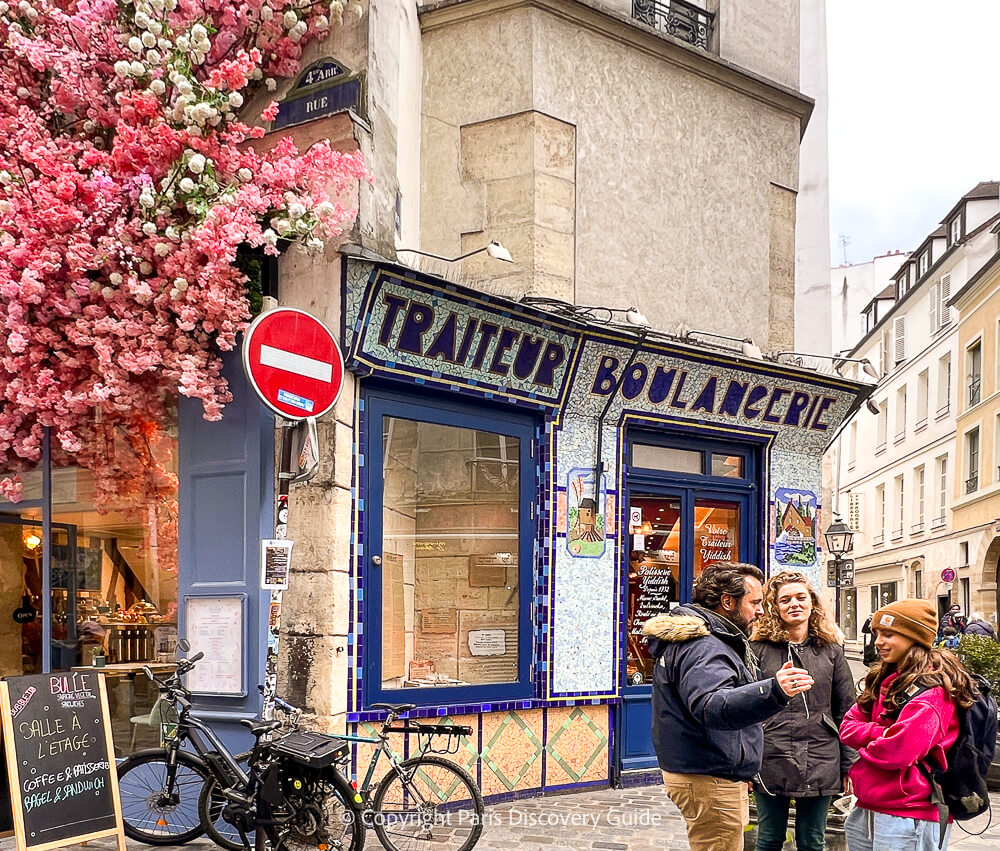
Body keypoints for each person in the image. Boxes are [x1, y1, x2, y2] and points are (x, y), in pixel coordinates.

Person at [643, 563, 814, 851]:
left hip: (708, 771)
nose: (760, 611)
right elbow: (712, 706)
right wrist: (773, 689)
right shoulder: (704, 645)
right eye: (755, 602)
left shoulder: (711, 640)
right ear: (727, 602)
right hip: (710, 776)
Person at [840, 598, 978, 850]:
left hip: (910, 813)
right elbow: (847, 726)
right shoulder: (885, 679)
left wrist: (869, 740)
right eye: (877, 633)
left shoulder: (933, 693)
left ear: (914, 637)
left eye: (889, 634)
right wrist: (882, 733)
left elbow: (896, 752)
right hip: (871, 806)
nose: (878, 641)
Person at [749, 571, 858, 851]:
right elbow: (745, 707)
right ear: (775, 607)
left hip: (822, 754)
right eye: (785, 599)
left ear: (812, 603)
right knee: (769, 837)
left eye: (801, 597)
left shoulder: (831, 650)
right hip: (771, 753)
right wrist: (745, 765)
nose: (794, 604)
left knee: (812, 841)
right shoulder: (758, 649)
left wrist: (849, 764)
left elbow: (847, 710)